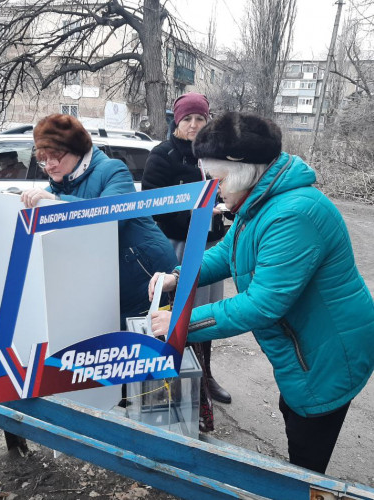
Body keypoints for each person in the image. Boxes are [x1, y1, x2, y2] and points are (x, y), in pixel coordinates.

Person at [148, 110, 374, 473]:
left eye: (216, 179)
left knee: (308, 440)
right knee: (296, 412)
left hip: (328, 351)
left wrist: (180, 322)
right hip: (304, 346)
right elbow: (230, 251)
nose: (213, 188)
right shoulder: (261, 199)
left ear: (242, 172)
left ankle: (305, 485)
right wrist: (179, 276)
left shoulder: (293, 214)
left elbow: (262, 304)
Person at [20, 113, 178, 329]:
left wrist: (57, 202)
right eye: (44, 159)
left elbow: (108, 220)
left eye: (56, 156)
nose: (50, 165)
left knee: (146, 350)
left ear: (76, 150)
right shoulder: (54, 190)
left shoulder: (113, 170)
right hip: (106, 284)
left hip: (145, 276)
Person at [142, 92, 232, 431]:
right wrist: (197, 215)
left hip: (211, 249)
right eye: (187, 119)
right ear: (176, 122)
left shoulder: (214, 156)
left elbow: (226, 195)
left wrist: (220, 215)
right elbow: (155, 208)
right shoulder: (162, 156)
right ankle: (179, 382)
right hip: (178, 246)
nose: (194, 125)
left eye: (200, 119)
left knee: (206, 316)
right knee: (179, 315)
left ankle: (206, 377)